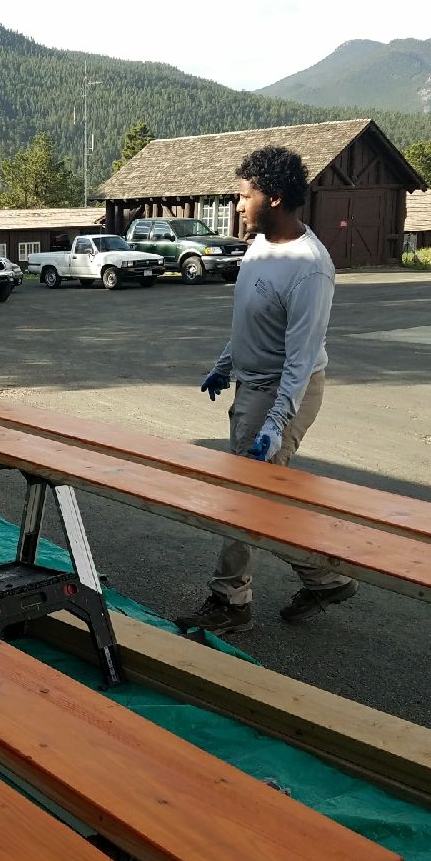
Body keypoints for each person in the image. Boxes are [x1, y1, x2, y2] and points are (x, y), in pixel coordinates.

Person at [175, 145, 357, 634]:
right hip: (252, 384)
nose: (237, 206)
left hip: (283, 392)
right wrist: (225, 364)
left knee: (248, 497)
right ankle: (324, 579)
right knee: (258, 498)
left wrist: (276, 423)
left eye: (244, 195)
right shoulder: (260, 245)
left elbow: (299, 361)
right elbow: (251, 321)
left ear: (273, 198)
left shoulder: (309, 267)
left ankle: (231, 600)